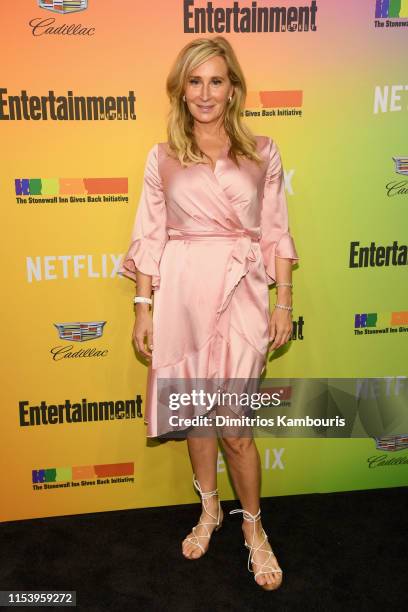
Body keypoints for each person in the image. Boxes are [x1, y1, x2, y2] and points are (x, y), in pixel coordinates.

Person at [119, 36, 299, 591]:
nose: (205, 93)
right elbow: (150, 237)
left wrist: (284, 301)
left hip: (243, 293)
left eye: (216, 80)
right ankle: (208, 509)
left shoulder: (263, 151)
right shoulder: (162, 155)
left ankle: (253, 528)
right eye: (194, 81)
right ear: (181, 88)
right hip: (181, 295)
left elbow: (275, 232)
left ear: (233, 88)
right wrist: (143, 308)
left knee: (235, 428)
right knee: (197, 415)